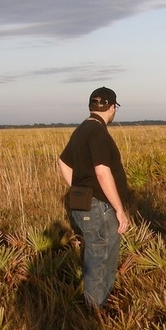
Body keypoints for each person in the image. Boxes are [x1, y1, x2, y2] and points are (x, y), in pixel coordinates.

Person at [59, 87, 130, 308]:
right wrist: (119, 208)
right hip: (99, 206)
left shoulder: (81, 129)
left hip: (85, 203)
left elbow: (62, 162)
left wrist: (79, 187)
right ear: (112, 108)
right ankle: (94, 310)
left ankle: (100, 305)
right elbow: (102, 170)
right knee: (100, 257)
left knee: (99, 253)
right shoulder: (98, 132)